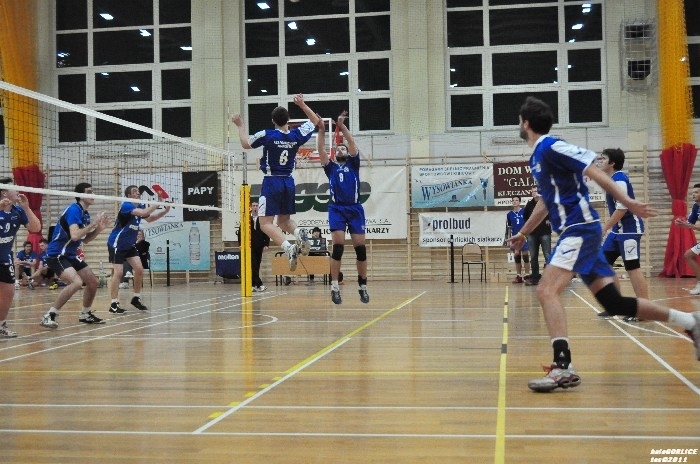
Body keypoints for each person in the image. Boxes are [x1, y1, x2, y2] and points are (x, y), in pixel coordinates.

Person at [508, 96, 700, 392]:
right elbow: (545, 202)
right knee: (614, 303)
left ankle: (563, 367)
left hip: (579, 230)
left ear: (526, 123)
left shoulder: (550, 146)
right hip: (578, 231)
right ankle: (690, 321)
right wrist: (523, 232)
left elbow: (592, 170)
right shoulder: (538, 158)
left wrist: (627, 201)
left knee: (546, 290)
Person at [232, 94, 320, 272]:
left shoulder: (267, 135)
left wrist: (240, 126)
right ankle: (299, 233)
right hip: (288, 181)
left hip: (272, 182)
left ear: (273, 121)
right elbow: (315, 120)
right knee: (284, 221)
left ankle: (289, 248)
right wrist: (302, 105)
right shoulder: (296, 135)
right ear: (289, 120)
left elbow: (245, 144)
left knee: (265, 224)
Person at [40, 182, 111, 328]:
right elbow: (75, 235)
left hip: (70, 254)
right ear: (80, 195)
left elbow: (85, 240)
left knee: (93, 282)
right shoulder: (74, 209)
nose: (92, 194)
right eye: (89, 192)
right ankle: (50, 315)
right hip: (57, 254)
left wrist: (98, 229)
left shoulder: (85, 214)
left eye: (93, 191)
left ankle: (85, 314)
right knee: (76, 282)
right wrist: (93, 225)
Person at [317, 111, 369, 305]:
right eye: (337, 149)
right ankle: (334, 287)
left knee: (360, 250)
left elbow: (352, 143)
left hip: (355, 209)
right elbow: (321, 149)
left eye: (342, 148)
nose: (340, 150)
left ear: (347, 153)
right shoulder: (330, 168)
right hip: (337, 209)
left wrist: (342, 126)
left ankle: (362, 285)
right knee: (338, 247)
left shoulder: (354, 164)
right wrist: (321, 130)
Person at [597, 148, 648, 321]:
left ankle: (643, 309)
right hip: (617, 231)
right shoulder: (610, 180)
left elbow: (622, 208)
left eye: (603, 159)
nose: (599, 161)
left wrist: (604, 228)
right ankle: (615, 305)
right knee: (603, 264)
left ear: (612, 163)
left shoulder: (619, 180)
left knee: (632, 268)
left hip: (629, 230)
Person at [107, 185, 170, 313]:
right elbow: (144, 213)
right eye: (134, 191)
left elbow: (150, 219)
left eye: (138, 191)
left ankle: (136, 298)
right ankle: (113, 304)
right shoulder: (126, 205)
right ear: (129, 195)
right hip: (117, 243)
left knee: (139, 269)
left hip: (129, 244)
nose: (138, 193)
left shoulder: (140, 205)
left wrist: (165, 211)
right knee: (118, 273)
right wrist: (158, 202)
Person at [0, 178, 41, 337]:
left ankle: (1, 325)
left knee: (8, 292)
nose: (18, 190)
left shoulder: (17, 211)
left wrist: (27, 208)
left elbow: (35, 228)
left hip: (4, 258)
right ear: (4, 192)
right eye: (14, 188)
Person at [522, 187, 551, 286]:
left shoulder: (546, 203)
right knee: (533, 256)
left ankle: (549, 279)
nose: (535, 193)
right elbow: (525, 217)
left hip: (544, 232)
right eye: (533, 191)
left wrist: (549, 219)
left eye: (536, 191)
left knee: (547, 255)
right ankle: (535, 278)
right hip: (532, 234)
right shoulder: (529, 204)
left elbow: (553, 211)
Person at [675, 183, 700, 295]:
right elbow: (690, 223)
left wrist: (688, 226)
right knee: (688, 255)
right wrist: (681, 223)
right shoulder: (696, 207)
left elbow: (693, 227)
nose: (693, 194)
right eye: (693, 192)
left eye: (696, 192)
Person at [506, 196, 530, 283]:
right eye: (513, 200)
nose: (514, 202)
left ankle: (527, 275)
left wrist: (527, 235)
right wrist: (509, 239)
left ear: (520, 202)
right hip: (514, 238)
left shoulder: (524, 211)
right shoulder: (509, 214)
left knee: (526, 257)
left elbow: (528, 224)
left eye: (516, 200)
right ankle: (518, 276)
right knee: (517, 257)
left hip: (523, 236)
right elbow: (509, 228)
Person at [250, 200, 270, 292]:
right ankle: (259, 284)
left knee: (257, 265)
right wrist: (241, 244)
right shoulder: (247, 218)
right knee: (253, 265)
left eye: (256, 206)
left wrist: (266, 244)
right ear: (251, 207)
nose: (255, 207)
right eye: (253, 206)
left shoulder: (262, 218)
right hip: (250, 245)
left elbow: (266, 231)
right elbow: (241, 231)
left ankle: (253, 285)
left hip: (259, 245)